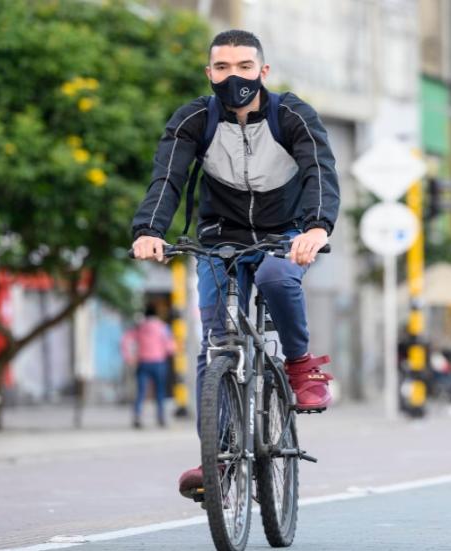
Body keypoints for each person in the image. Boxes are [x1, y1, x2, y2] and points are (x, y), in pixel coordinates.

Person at [129, 30, 340, 498]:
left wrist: (317, 227)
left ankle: (300, 366)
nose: (233, 77)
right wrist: (149, 230)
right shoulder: (193, 120)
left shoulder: (292, 115)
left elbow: (319, 171)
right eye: (222, 68)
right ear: (209, 74)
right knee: (215, 344)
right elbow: (168, 177)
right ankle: (218, 458)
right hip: (217, 237)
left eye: (244, 67)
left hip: (284, 234)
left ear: (263, 72)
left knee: (276, 275)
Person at [120, 304, 176, 428]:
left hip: (143, 362)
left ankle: (138, 416)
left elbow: (125, 340)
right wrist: (170, 352)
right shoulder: (163, 327)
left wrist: (129, 357)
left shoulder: (139, 327)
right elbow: (170, 346)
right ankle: (161, 417)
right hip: (159, 363)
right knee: (160, 391)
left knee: (141, 392)